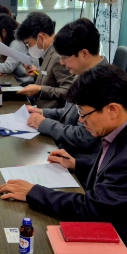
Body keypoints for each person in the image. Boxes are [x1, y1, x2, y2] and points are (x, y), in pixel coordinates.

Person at [0, 64, 127, 254]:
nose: (80, 120)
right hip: (115, 218)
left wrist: (33, 192)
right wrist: (76, 163)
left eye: (83, 113)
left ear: (112, 110)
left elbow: (92, 209)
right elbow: (113, 168)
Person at [25, 18, 107, 181]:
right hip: (67, 149)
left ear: (84, 54)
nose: (62, 63)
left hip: (81, 161)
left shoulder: (101, 83)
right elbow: (69, 112)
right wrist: (42, 112)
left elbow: (84, 137)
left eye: (64, 57)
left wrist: (44, 124)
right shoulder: (84, 73)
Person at [15, 12, 74, 109]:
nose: (29, 48)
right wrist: (36, 72)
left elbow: (68, 91)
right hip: (41, 108)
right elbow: (51, 76)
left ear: (41, 37)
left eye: (29, 44)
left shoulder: (58, 56)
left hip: (52, 113)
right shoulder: (49, 50)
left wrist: (40, 90)